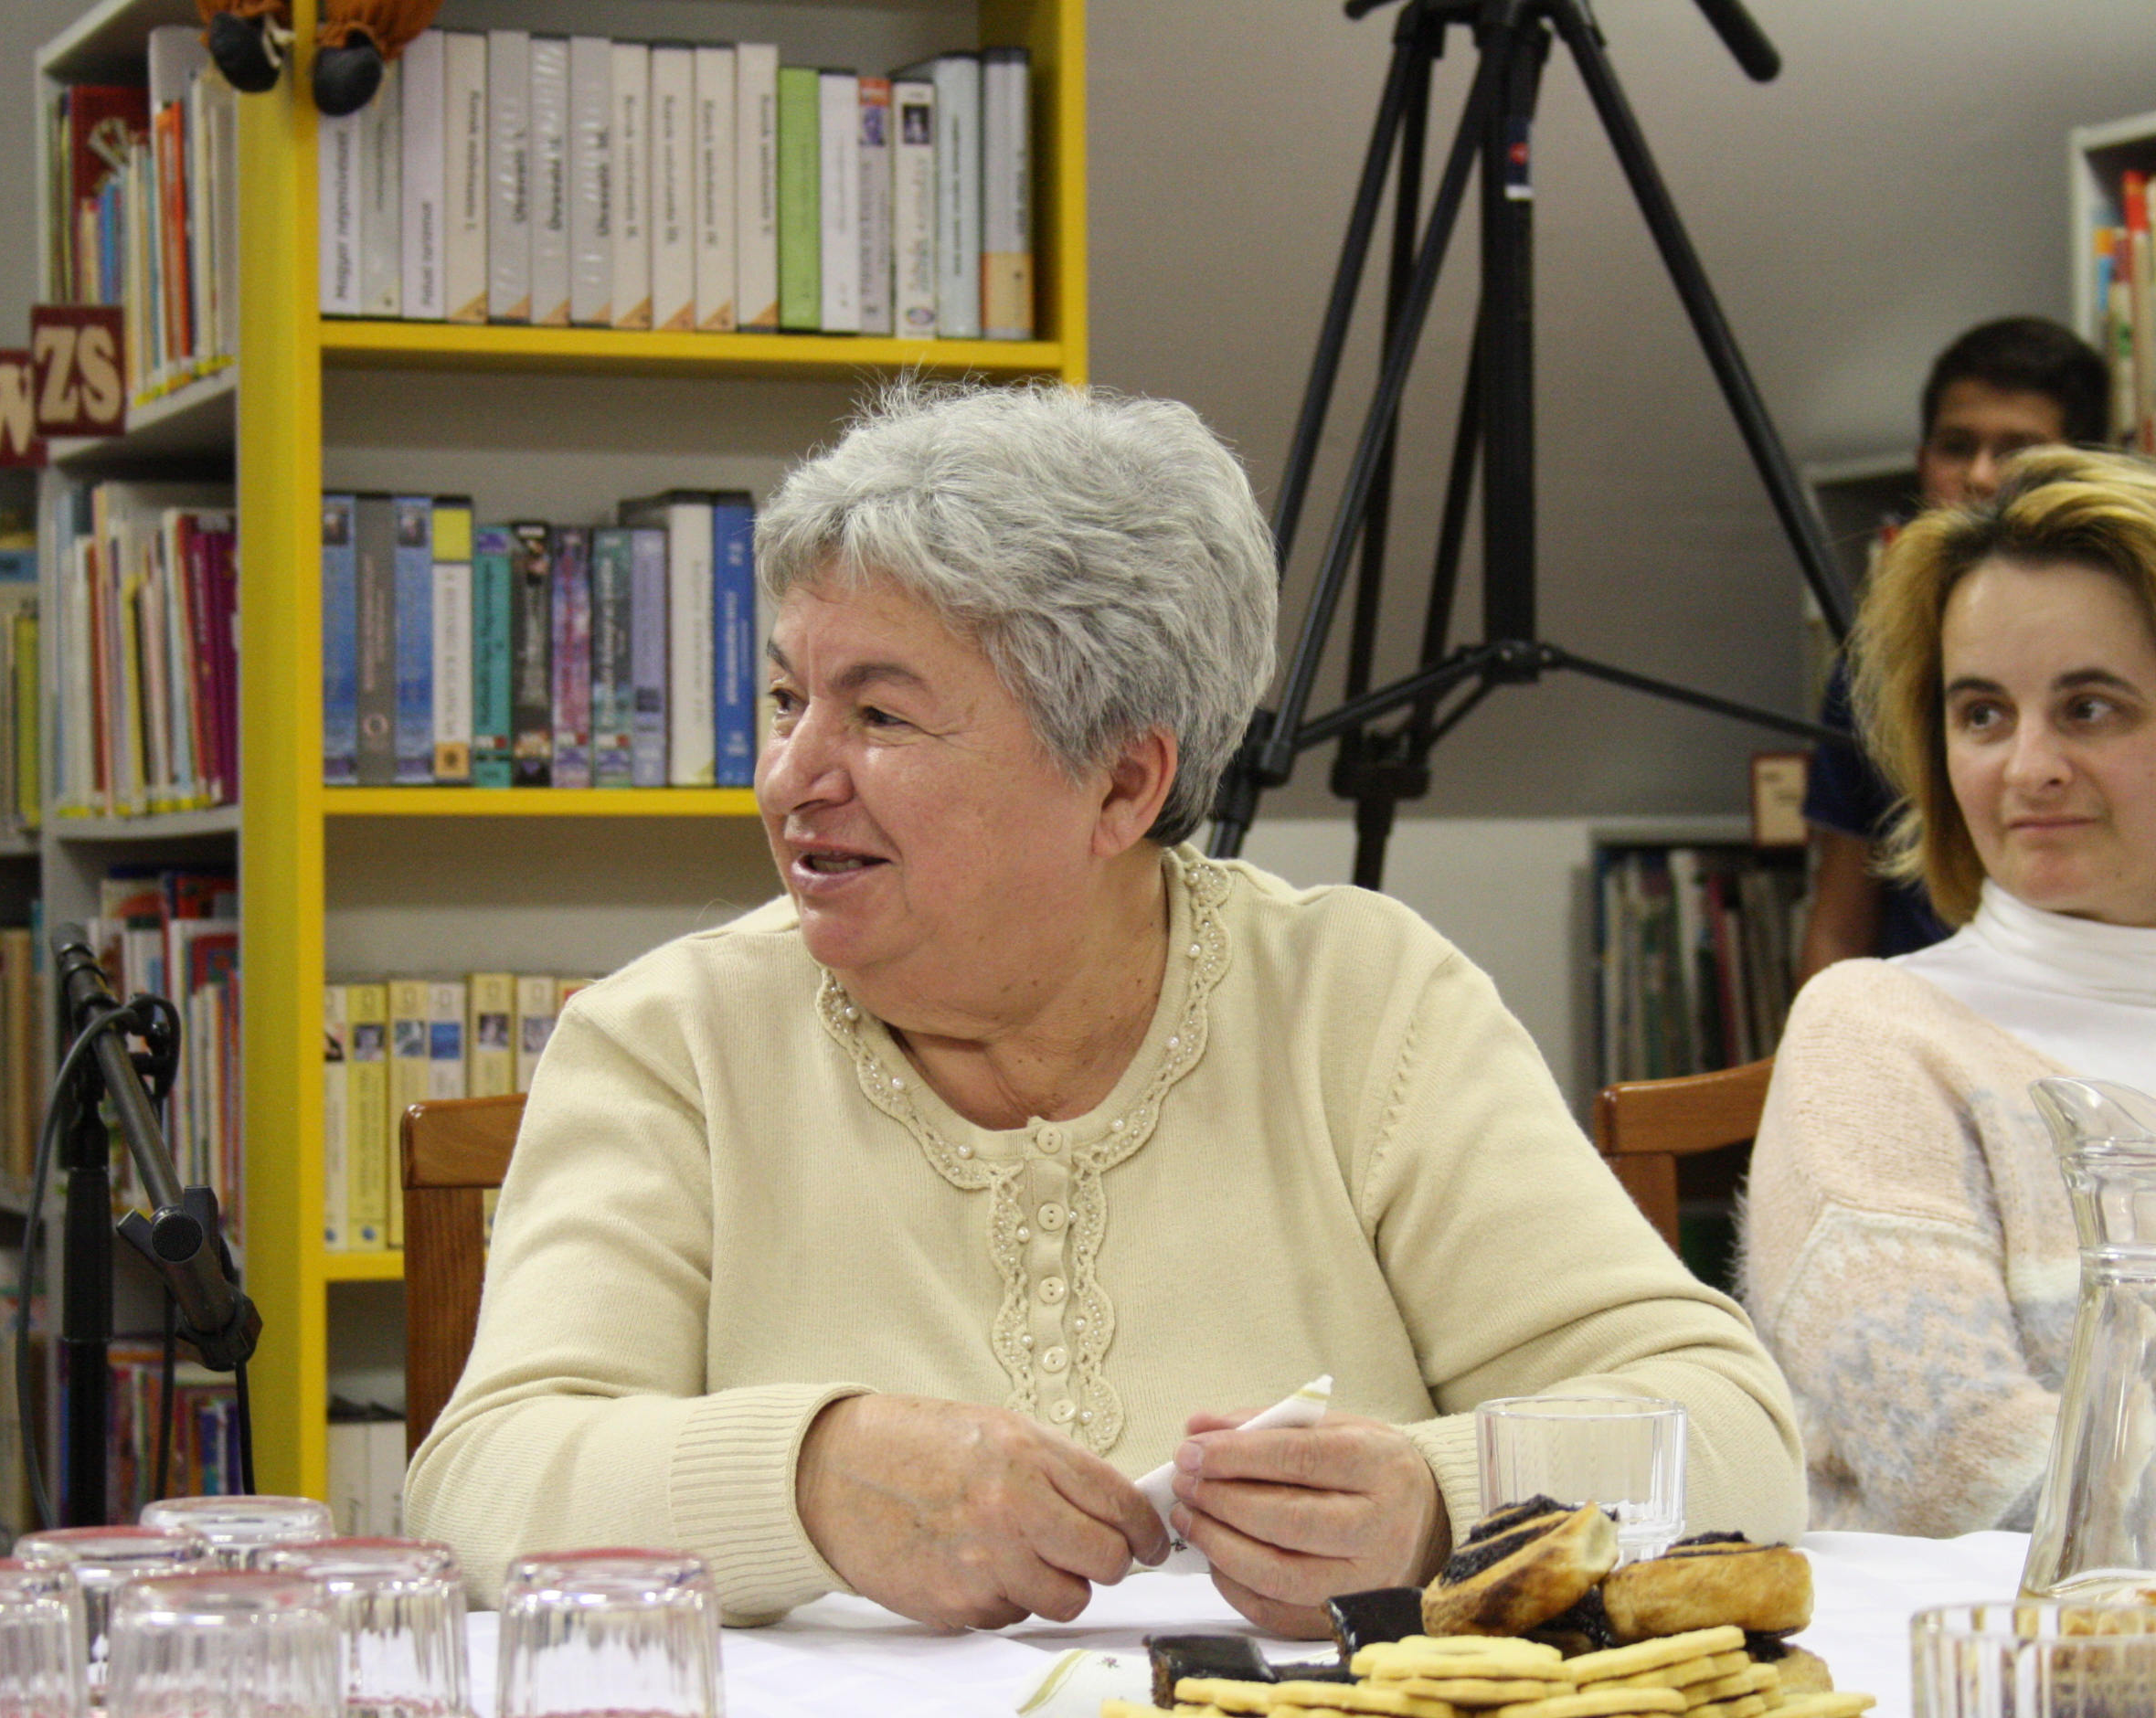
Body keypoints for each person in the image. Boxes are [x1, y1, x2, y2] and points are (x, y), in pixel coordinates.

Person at [407, 384, 1807, 1632]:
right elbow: (481, 1484)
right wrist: (816, 1478)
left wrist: (1440, 1506)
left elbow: (1734, 1429)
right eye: (788, 700)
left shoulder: (1362, 1005)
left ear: (1125, 785)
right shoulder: (671, 1043)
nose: (792, 778)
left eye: (880, 716)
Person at [1740, 444, 2156, 1536]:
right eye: (1981, 714)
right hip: (2014, 1635)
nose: (2026, 766)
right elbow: (1959, 1458)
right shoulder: (1873, 1033)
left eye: (2088, 708)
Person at [1794, 317, 2112, 986]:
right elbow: (1840, 920)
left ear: (2088, 467)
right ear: (1922, 461)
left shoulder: (2150, 644)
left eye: (2018, 450)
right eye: (1956, 447)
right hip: (1929, 1018)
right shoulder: (1874, 665)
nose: (1979, 476)